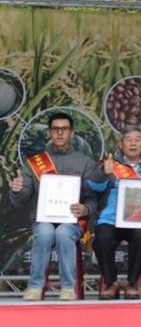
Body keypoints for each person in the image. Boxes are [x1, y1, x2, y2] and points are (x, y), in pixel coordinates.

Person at [9, 112, 102, 301]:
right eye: (55, 129)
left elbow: (93, 198)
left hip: (72, 221)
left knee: (63, 233)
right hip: (43, 219)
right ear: (49, 133)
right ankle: (35, 286)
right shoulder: (34, 163)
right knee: (44, 232)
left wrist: (85, 209)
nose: (60, 133)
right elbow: (22, 198)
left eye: (64, 129)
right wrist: (17, 190)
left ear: (72, 133)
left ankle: (68, 287)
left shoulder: (85, 163)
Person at [89, 126, 141, 299]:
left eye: (137, 140)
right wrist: (103, 172)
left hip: (139, 220)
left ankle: (132, 283)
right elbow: (94, 186)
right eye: (128, 139)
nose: (133, 143)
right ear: (120, 144)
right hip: (111, 219)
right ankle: (112, 283)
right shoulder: (110, 165)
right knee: (102, 237)